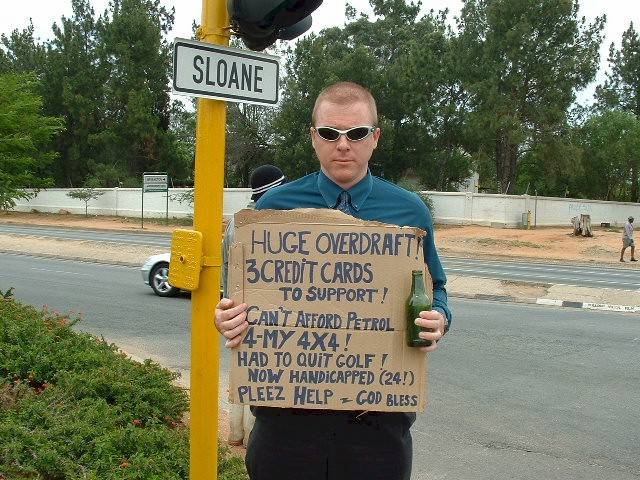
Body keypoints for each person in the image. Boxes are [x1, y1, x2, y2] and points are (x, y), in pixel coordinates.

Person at [215, 81, 452, 480]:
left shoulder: (409, 212)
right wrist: (225, 317)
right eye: (329, 133)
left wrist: (439, 318)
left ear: (374, 138)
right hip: (285, 423)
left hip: (377, 428)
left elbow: (436, 287)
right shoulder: (272, 209)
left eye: (356, 133)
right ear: (314, 138)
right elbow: (236, 295)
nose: (343, 145)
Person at [222, 164, 286, 446]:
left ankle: (235, 432)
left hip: (236, 309)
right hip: (265, 308)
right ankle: (251, 437)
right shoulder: (272, 221)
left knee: (241, 370)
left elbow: (225, 266)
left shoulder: (236, 221)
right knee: (262, 374)